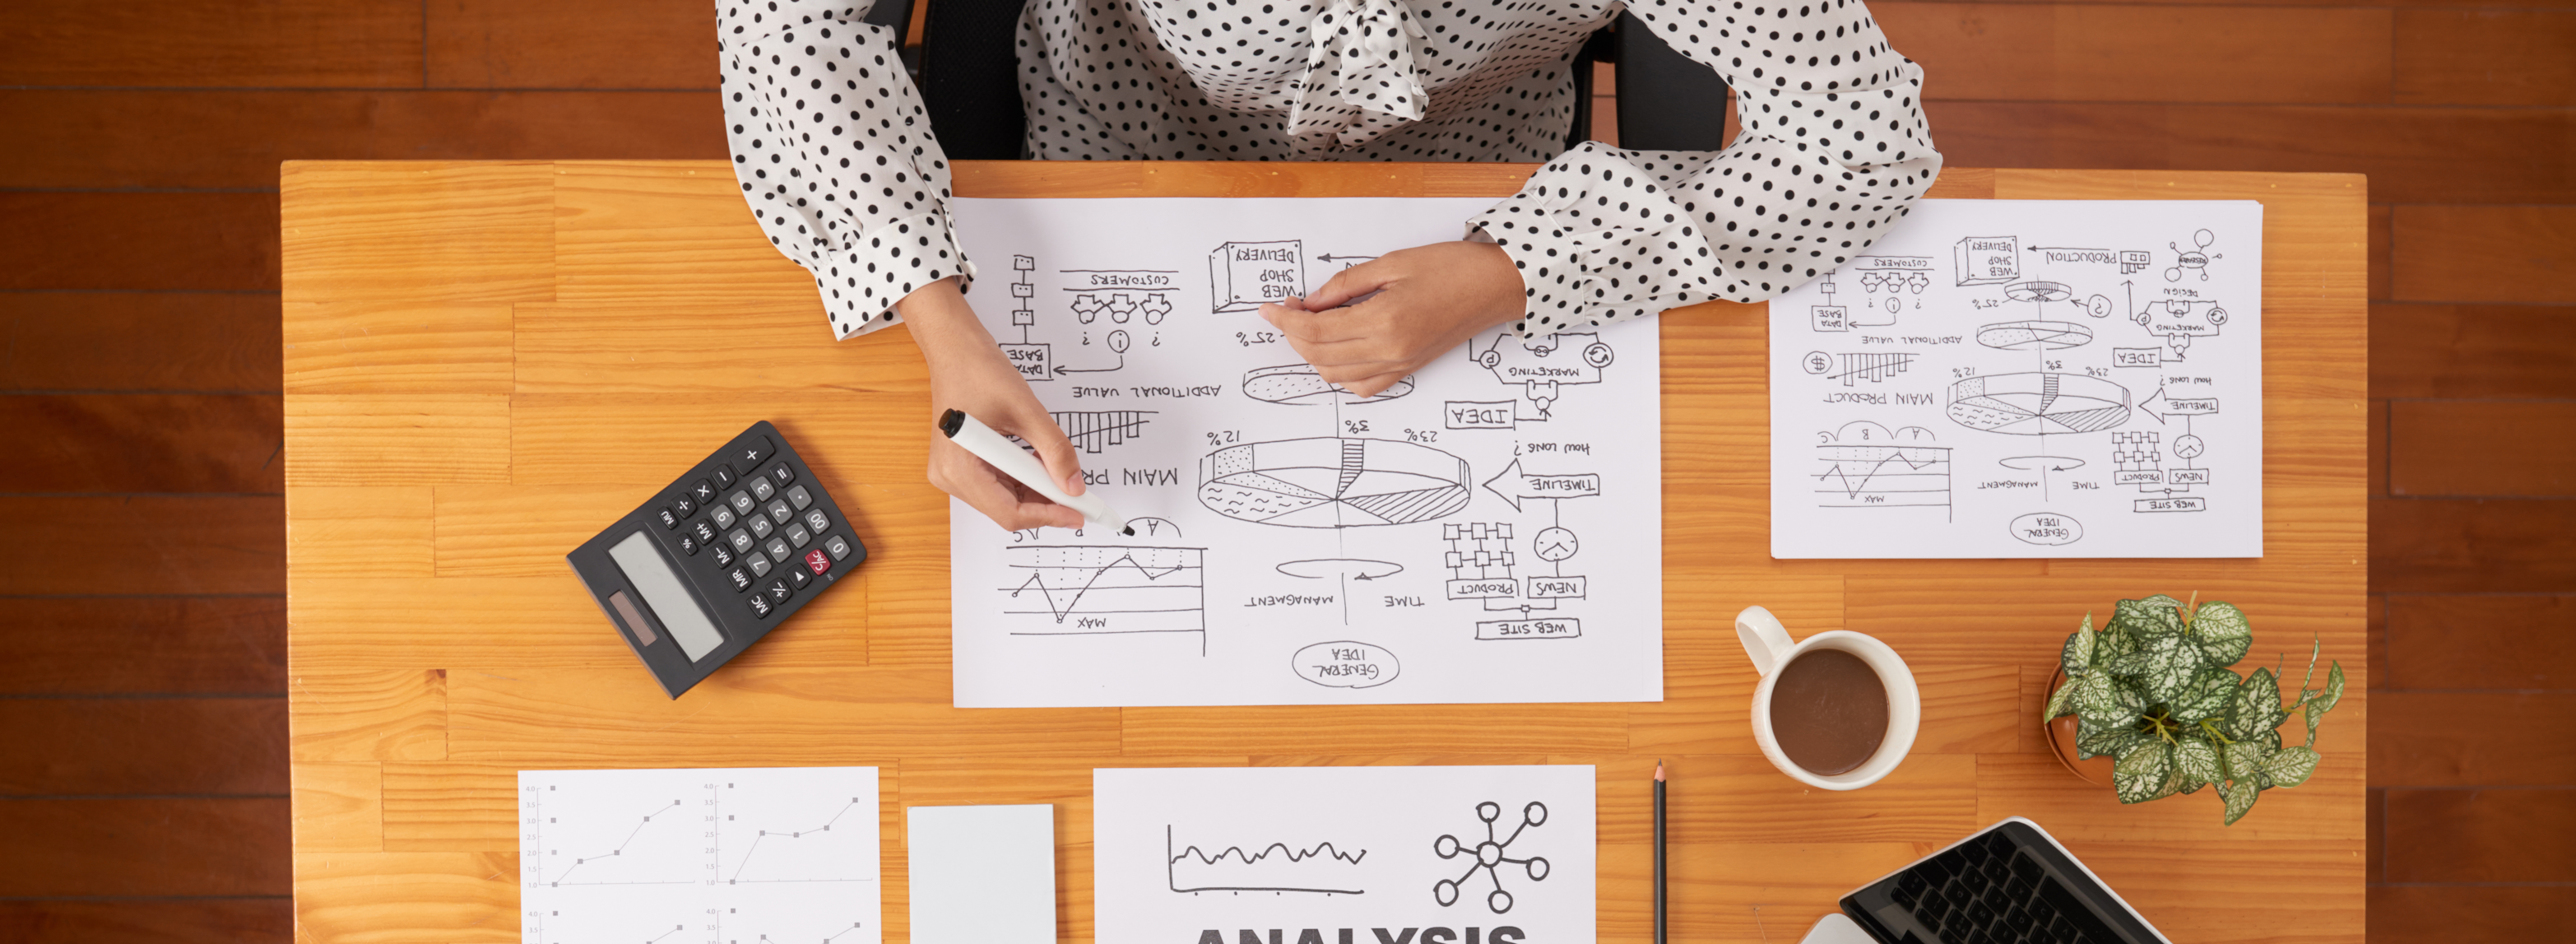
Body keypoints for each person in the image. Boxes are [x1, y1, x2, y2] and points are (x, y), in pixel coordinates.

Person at [717, 0, 1938, 532]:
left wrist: (1510, 269)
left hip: (1472, 191)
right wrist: (941, 321)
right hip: (1111, 160)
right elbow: (783, 22)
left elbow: (1867, 135)